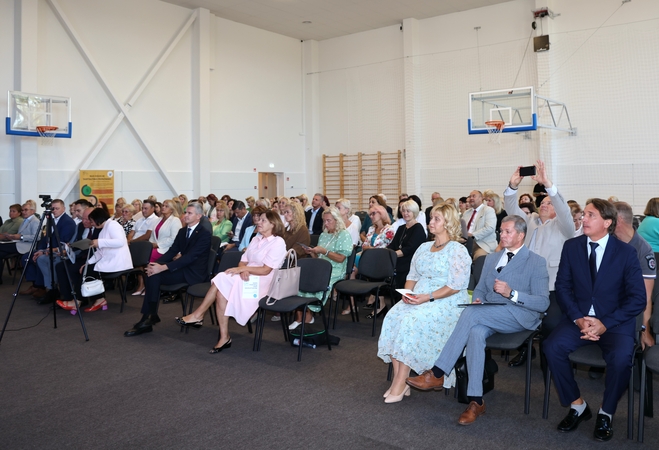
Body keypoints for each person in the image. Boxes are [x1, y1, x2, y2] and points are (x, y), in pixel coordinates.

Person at [406, 215, 549, 425]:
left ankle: (438, 372)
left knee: (472, 315)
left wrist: (512, 294)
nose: (502, 234)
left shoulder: (536, 261)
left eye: (508, 231)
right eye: (501, 230)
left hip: (520, 315)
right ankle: (476, 401)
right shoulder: (492, 258)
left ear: (521, 235)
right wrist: (479, 299)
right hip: (489, 312)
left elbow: (543, 303)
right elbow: (480, 288)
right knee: (475, 332)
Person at [543, 199, 646, 441]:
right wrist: (578, 318)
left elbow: (637, 299)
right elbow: (563, 287)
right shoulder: (572, 246)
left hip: (614, 323)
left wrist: (605, 323)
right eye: (584, 214)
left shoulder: (626, 253)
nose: (583, 219)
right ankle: (578, 405)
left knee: (621, 359)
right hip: (578, 319)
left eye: (590, 215)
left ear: (607, 222)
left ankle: (606, 412)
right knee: (551, 347)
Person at [378, 203, 471, 403]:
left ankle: (400, 383)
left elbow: (456, 286)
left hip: (446, 300)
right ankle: (400, 381)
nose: (431, 222)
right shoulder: (423, 247)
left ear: (448, 223)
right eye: (431, 218)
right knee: (394, 316)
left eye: (437, 219)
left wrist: (426, 297)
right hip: (420, 296)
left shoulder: (457, 249)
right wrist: (408, 292)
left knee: (410, 321)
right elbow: (413, 274)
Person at [175, 210, 287, 351]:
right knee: (221, 289)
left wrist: (242, 270)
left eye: (263, 220)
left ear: (273, 224)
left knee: (222, 278)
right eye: (259, 220)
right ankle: (223, 336)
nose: (258, 222)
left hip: (263, 282)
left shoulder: (278, 242)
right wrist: (243, 269)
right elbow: (243, 261)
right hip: (247, 275)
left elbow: (266, 270)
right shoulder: (256, 238)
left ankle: (199, 316)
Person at [503, 161, 575, 367]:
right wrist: (513, 186)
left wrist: (548, 186)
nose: (544, 204)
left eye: (549, 203)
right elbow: (510, 208)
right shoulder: (530, 222)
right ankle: (526, 349)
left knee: (551, 324)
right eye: (542, 202)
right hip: (525, 286)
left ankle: (551, 358)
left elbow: (563, 209)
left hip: (552, 287)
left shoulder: (563, 228)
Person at [124, 203, 211, 337]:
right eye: (185, 212)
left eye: (189, 213)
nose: (185, 215)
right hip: (182, 267)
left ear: (199, 216)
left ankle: (149, 317)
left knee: (155, 275)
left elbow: (190, 257)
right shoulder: (183, 231)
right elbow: (172, 251)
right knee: (152, 274)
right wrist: (156, 264)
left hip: (194, 273)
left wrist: (163, 267)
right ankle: (149, 316)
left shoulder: (204, 234)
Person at [57, 208, 132, 312]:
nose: (91, 224)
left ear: (98, 219)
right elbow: (99, 253)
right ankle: (98, 299)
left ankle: (77, 301)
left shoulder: (113, 225)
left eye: (91, 221)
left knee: (86, 271)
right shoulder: (103, 230)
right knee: (85, 269)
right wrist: (87, 263)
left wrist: (100, 242)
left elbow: (120, 242)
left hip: (118, 262)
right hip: (110, 260)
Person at [293, 207, 353, 329]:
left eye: (329, 220)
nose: (326, 223)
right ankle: (301, 316)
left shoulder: (344, 234)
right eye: (324, 221)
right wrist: (312, 252)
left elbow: (341, 258)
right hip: (321, 267)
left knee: (317, 282)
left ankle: (307, 315)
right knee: (300, 280)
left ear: (337, 220)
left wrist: (324, 251)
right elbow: (318, 259)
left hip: (335, 269)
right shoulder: (324, 235)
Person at [614, 202, 656, 349]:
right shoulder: (606, 242)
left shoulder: (643, 250)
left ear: (618, 221)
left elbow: (646, 297)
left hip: (627, 310)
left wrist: (645, 330)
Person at [387, 199, 426, 292]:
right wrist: (386, 252)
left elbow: (410, 249)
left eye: (408, 211)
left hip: (410, 264)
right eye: (403, 211)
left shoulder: (418, 229)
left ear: (414, 212)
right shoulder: (401, 228)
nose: (405, 213)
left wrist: (393, 254)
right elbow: (393, 245)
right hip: (399, 262)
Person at [463, 190, 497, 260]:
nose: (471, 198)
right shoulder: (466, 213)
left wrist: (472, 235)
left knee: (479, 258)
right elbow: (461, 228)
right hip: (465, 242)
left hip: (483, 243)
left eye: (474, 196)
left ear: (481, 198)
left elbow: (489, 228)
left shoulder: (488, 210)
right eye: (470, 196)